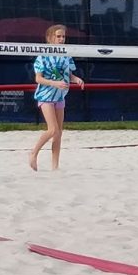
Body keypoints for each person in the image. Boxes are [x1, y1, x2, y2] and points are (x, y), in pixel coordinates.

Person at [29, 24, 84, 171]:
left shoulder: (66, 55)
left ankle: (55, 166)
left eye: (63, 36)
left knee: (59, 133)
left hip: (60, 96)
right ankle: (34, 153)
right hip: (46, 96)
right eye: (58, 36)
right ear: (50, 38)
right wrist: (54, 83)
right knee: (52, 130)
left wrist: (76, 79)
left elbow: (69, 75)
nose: (61, 39)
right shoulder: (43, 56)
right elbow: (38, 79)